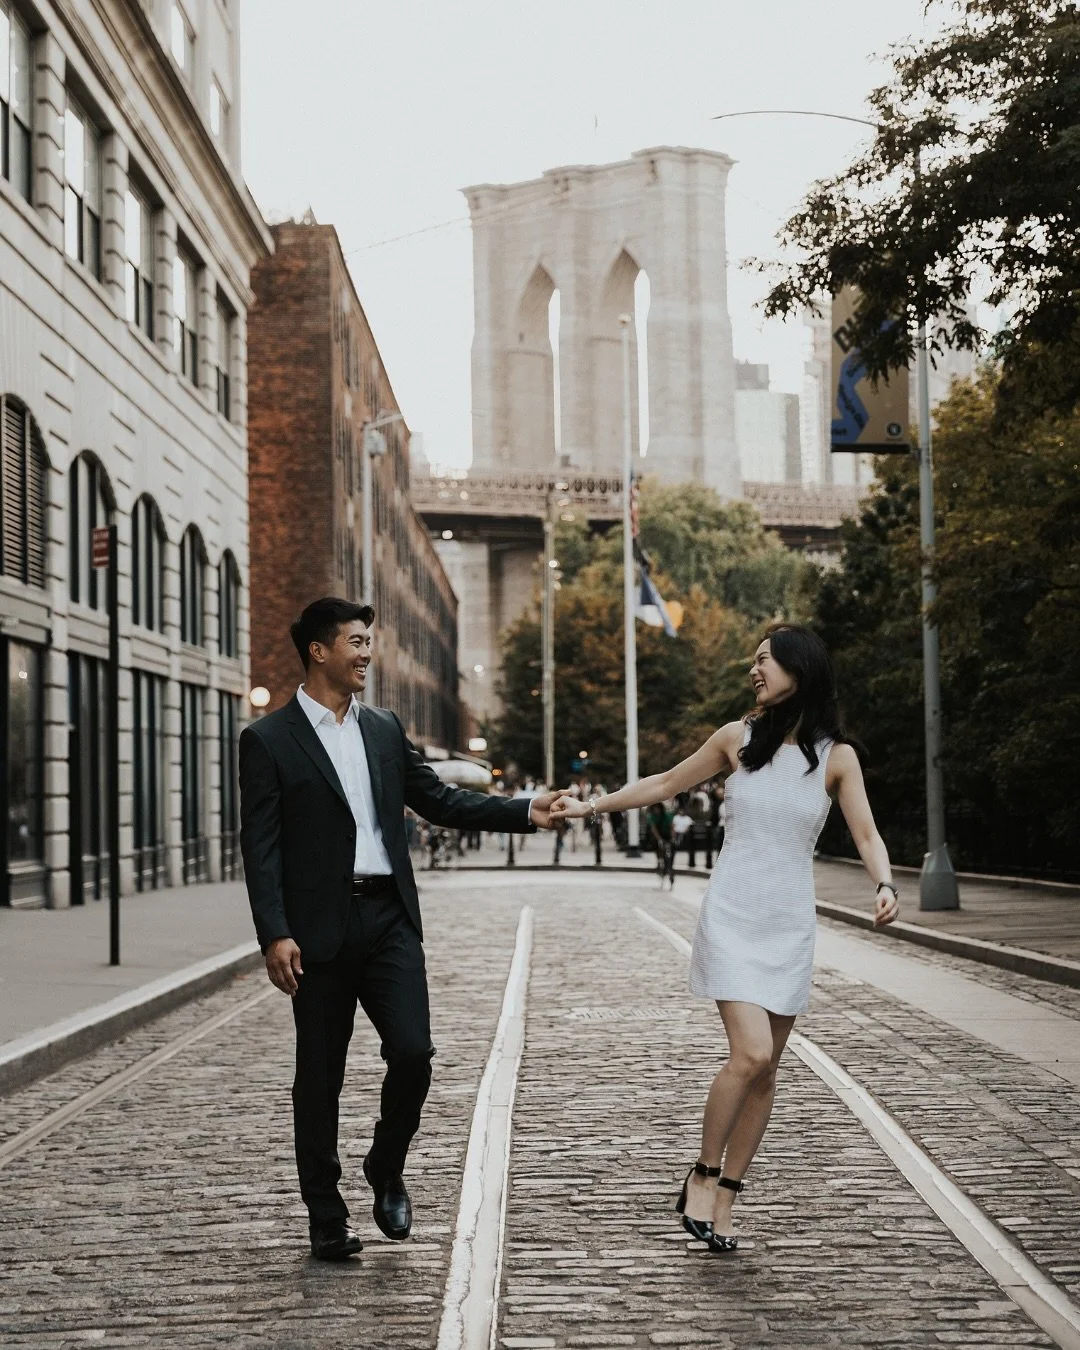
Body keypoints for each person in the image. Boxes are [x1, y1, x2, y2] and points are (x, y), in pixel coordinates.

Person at [551, 624, 898, 1253]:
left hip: (789, 924)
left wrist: (885, 884)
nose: (754, 670)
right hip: (733, 915)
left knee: (768, 1074)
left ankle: (728, 1201)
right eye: (754, 661)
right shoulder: (736, 740)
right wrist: (591, 808)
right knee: (751, 1056)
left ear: (801, 668)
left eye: (764, 660)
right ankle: (703, 1175)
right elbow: (663, 784)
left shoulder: (837, 757)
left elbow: (867, 834)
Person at [239, 597, 561, 1261]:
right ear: (320, 650)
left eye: (369, 641)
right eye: (356, 642)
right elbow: (261, 846)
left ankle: (386, 1166)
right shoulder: (268, 741)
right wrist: (274, 932)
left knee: (413, 1053)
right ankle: (326, 1215)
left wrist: (528, 810)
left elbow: (442, 800)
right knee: (319, 1077)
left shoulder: (383, 729)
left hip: (388, 918)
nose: (367, 653)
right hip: (318, 932)